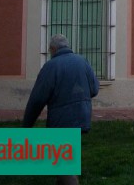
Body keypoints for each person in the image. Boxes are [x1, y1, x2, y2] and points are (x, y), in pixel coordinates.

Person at [23, 35, 100, 184]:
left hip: (62, 120)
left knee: (64, 166)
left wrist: (27, 125)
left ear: (53, 49)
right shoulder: (82, 61)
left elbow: (37, 100)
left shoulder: (51, 66)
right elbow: (94, 89)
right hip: (82, 117)